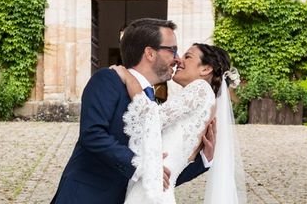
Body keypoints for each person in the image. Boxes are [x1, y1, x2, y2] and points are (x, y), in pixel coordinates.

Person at [50, 18, 214, 204]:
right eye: (173, 50)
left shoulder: (153, 103)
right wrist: (143, 165)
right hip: (86, 196)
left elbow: (161, 175)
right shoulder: (108, 80)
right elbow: (92, 135)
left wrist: (204, 160)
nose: (177, 59)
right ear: (150, 53)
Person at [112, 43, 246, 204]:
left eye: (187, 57)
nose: (178, 61)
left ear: (205, 69)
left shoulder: (200, 88)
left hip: (151, 190)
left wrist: (128, 78)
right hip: (157, 188)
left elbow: (151, 117)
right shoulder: (207, 102)